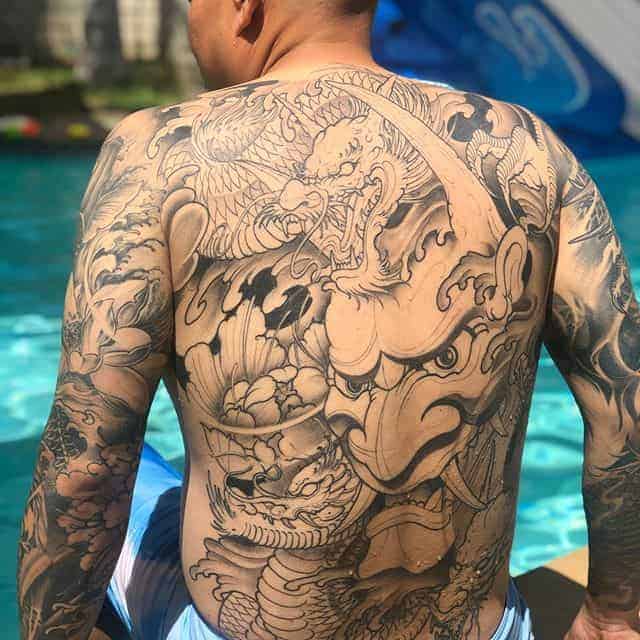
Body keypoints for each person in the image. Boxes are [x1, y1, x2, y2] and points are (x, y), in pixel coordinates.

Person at [16, 1, 640, 638]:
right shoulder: (530, 150)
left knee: (125, 477)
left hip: (249, 620)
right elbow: (627, 404)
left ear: (243, 5)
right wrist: (615, 617)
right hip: (481, 628)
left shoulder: (157, 153)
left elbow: (87, 462)